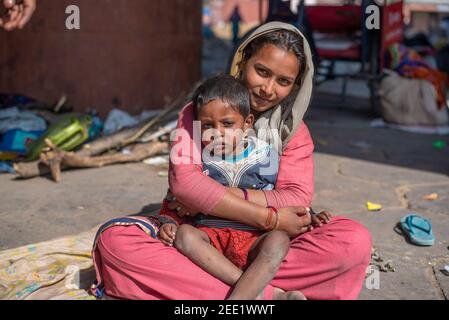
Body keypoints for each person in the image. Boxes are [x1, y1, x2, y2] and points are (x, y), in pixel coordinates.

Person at [91, 22, 372, 300]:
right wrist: (270, 215)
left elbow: (296, 198)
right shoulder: (197, 112)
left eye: (283, 81)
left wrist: (210, 195)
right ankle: (263, 293)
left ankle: (206, 288)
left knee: (353, 241)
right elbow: (185, 184)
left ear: (296, 85)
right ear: (243, 60)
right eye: (261, 71)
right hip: (201, 241)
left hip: (260, 245)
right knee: (116, 241)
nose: (268, 88)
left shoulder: (294, 132)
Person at [158, 75, 313, 300]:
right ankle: (260, 294)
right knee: (184, 236)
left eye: (228, 124)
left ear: (247, 123)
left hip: (252, 238)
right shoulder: (197, 158)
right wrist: (169, 223)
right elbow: (173, 201)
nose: (217, 132)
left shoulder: (265, 156)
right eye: (207, 125)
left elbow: (284, 197)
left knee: (279, 240)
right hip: (210, 239)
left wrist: (313, 215)